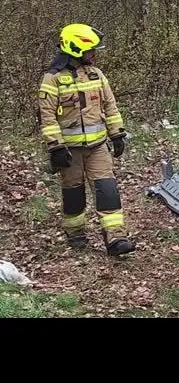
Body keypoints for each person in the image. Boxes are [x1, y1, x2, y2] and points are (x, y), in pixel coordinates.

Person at [38, 23, 135, 256]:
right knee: (74, 193)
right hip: (70, 151)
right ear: (75, 49)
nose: (94, 54)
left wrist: (117, 134)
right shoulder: (52, 79)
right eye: (90, 50)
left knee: (107, 188)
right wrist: (55, 146)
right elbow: (47, 116)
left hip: (98, 146)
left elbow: (110, 107)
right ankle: (76, 234)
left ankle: (115, 237)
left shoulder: (96, 74)